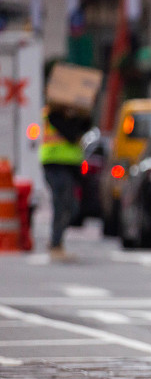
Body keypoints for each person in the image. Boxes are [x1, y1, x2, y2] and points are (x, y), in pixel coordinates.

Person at [40, 103, 92, 262]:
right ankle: (56, 244)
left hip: (70, 166)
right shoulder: (52, 113)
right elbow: (69, 134)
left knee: (72, 207)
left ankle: (56, 240)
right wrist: (74, 116)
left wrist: (81, 114)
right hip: (54, 164)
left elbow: (85, 127)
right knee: (61, 204)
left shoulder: (75, 116)